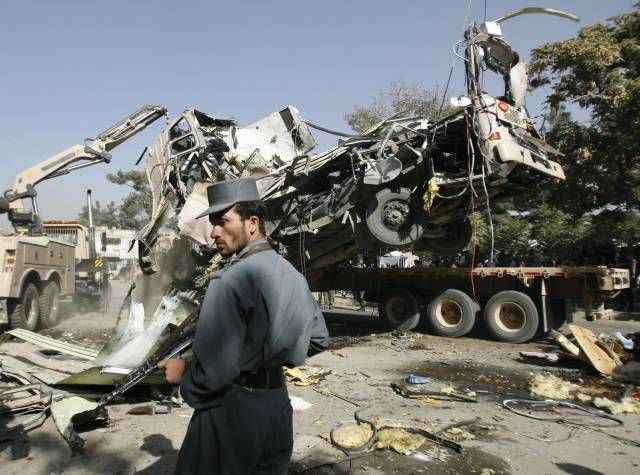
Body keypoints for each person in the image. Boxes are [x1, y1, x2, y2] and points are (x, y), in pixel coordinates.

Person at [158, 177, 329, 475]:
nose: (214, 233)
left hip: (231, 412)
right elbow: (317, 339)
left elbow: (216, 372)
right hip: (277, 408)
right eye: (213, 223)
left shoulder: (230, 280)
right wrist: (266, 356)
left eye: (223, 222)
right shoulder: (293, 276)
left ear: (252, 223)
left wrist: (183, 375)